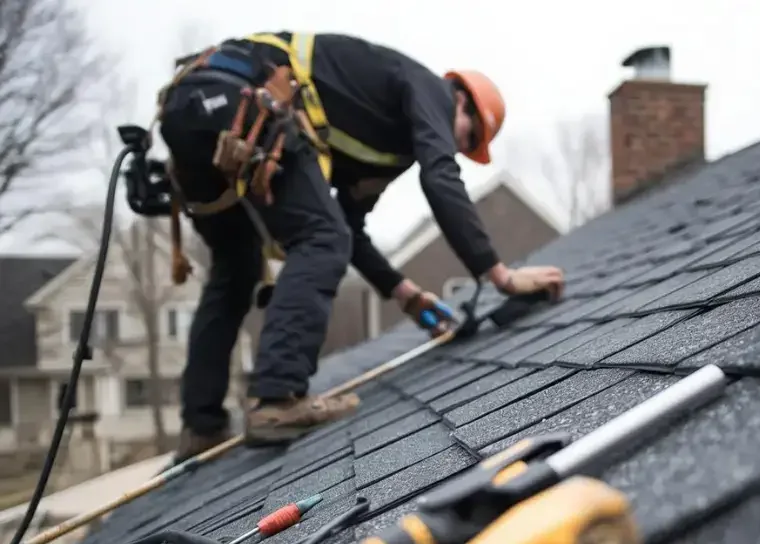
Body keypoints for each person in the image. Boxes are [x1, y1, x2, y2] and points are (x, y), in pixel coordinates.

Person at [157, 31, 565, 461]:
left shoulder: (382, 146)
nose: (457, 149)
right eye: (467, 139)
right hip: (242, 100)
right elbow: (439, 177)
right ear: (459, 99)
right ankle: (276, 400)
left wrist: (406, 296)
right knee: (319, 237)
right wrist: (499, 274)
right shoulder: (429, 88)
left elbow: (349, 230)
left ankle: (202, 427)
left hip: (194, 110)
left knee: (237, 268)